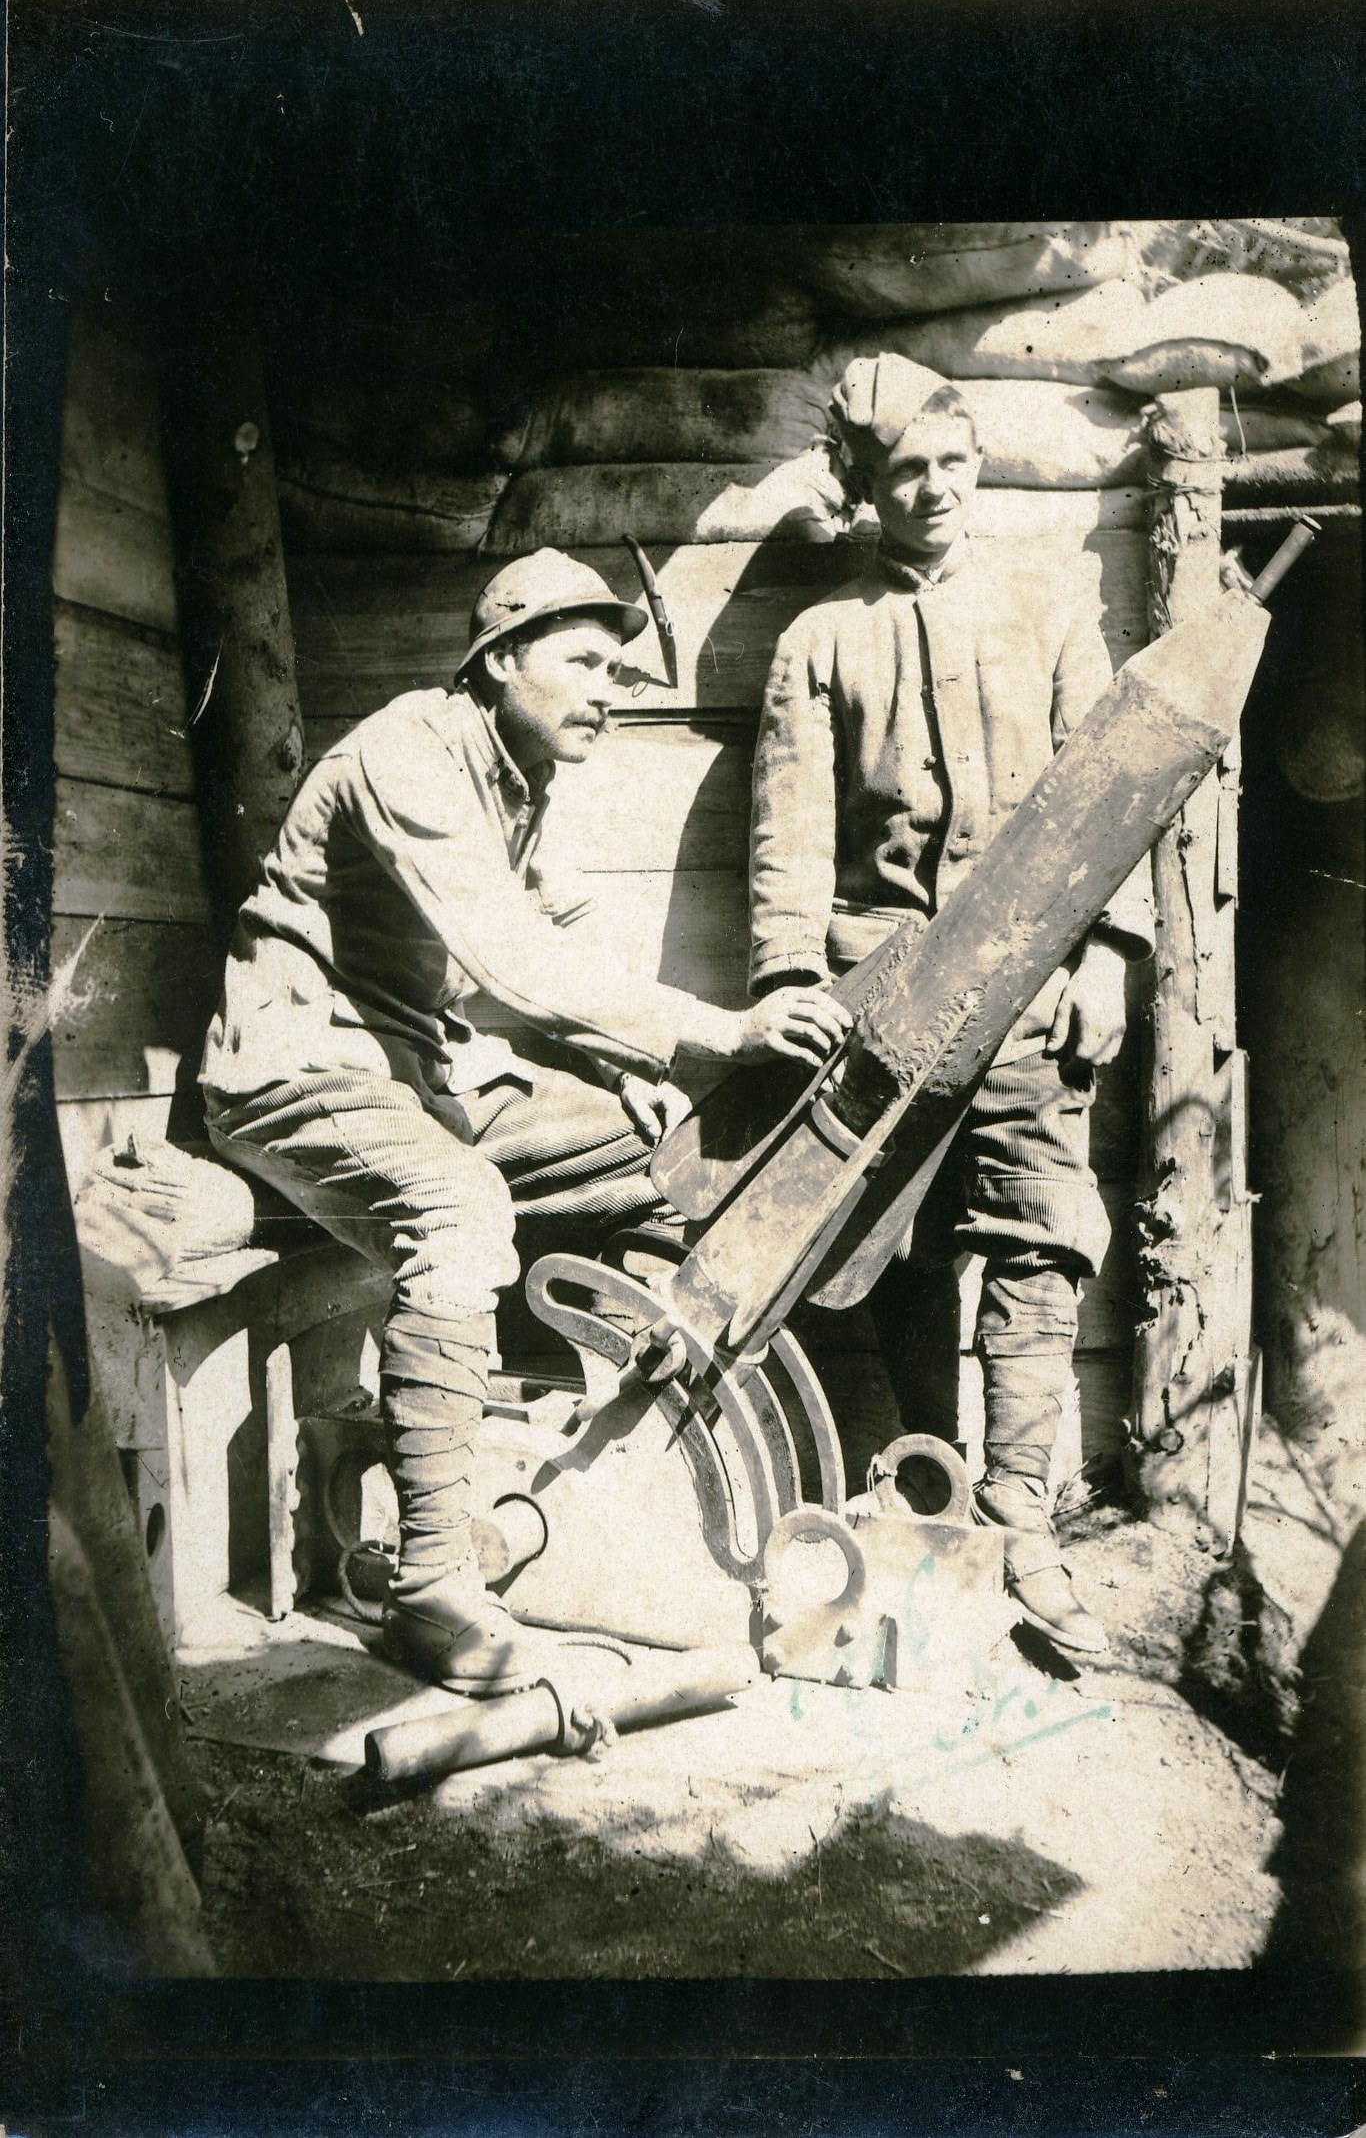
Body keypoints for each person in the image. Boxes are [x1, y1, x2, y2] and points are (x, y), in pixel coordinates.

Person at [202, 548, 849, 1692]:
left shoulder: (515, 772)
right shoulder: (408, 751)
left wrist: (629, 1063)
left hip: (413, 1073)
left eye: (621, 671)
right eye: (586, 664)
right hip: (294, 1068)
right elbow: (511, 954)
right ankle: (432, 1588)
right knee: (458, 1208)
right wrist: (714, 1032)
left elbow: (566, 928)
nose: (609, 689)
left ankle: (642, 1453)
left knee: (664, 1159)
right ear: (500, 658)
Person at [748, 355, 1155, 1656]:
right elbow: (788, 844)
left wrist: (1108, 955)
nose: (931, 491)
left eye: (950, 463)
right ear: (865, 488)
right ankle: (927, 1489)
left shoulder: (1046, 607)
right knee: (902, 1248)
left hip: (1035, 976)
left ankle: (1025, 1522)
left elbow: (1112, 787)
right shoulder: (820, 641)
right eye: (903, 471)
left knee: (1039, 1235)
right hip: (886, 995)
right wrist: (787, 988)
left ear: (976, 466)